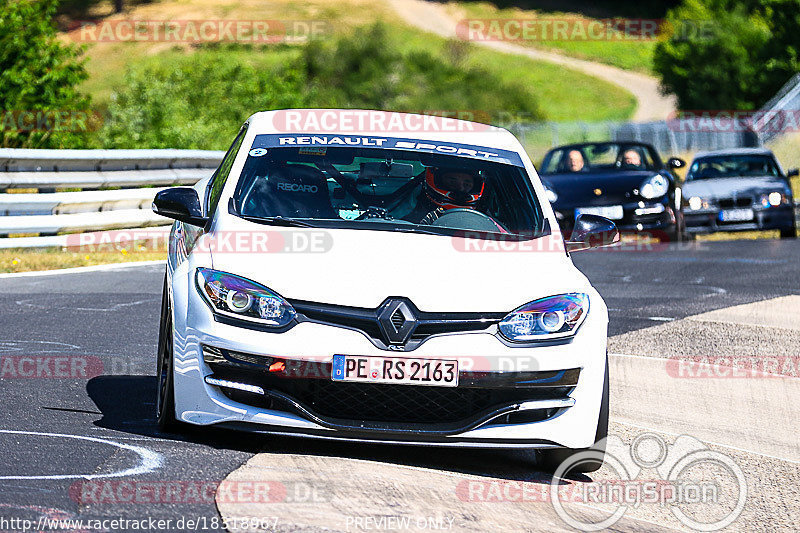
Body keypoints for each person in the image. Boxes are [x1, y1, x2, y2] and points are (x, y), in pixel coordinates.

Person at [404, 166, 484, 224]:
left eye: (467, 184)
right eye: (452, 182)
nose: (460, 188)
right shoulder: (406, 205)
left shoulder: (485, 213)